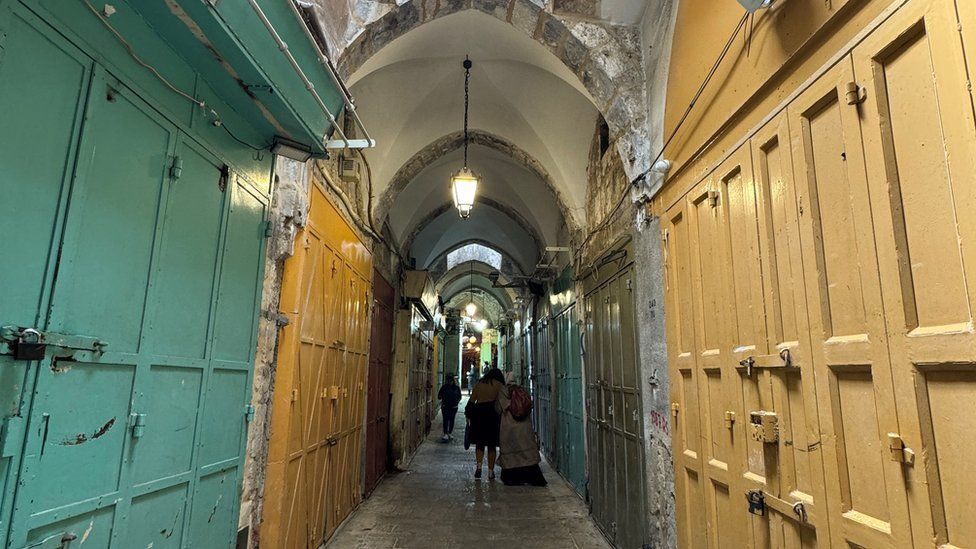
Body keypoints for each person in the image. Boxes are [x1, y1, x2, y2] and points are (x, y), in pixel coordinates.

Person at [496, 371, 547, 486]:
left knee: (511, 453)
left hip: (509, 427)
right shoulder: (522, 390)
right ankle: (532, 478)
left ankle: (512, 478)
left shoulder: (503, 391)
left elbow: (499, 409)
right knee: (526, 453)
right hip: (524, 426)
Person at [464, 367, 504, 479]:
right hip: (493, 416)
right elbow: (502, 402)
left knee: (479, 443)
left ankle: (479, 467)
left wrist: (468, 414)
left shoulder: (480, 383)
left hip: (479, 415)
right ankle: (491, 472)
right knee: (491, 445)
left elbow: (471, 401)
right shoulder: (499, 385)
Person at [437, 374, 462, 442]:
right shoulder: (454, 388)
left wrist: (456, 401)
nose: (449, 382)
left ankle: (448, 433)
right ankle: (446, 433)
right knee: (447, 419)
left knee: (450, 420)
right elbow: (439, 396)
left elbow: (459, 396)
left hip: (451, 406)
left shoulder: (447, 387)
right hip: (448, 406)